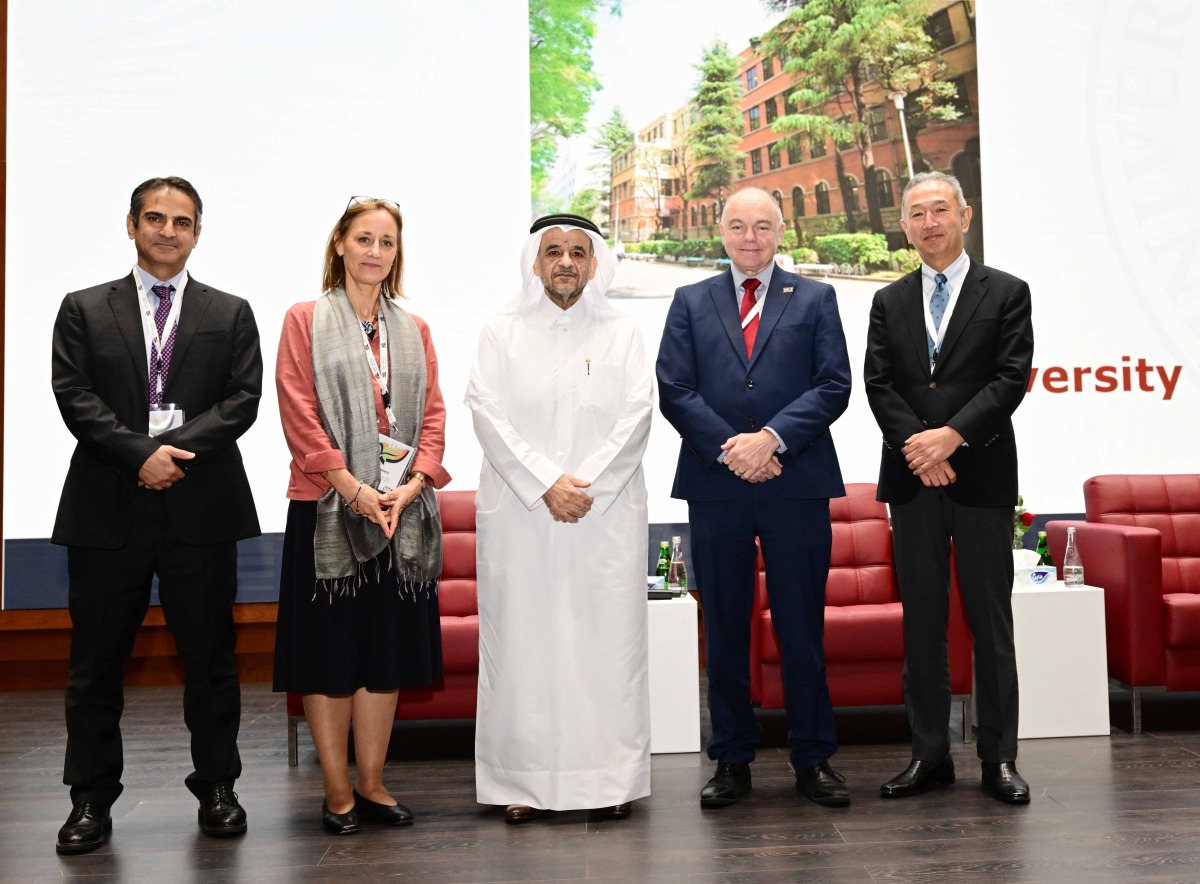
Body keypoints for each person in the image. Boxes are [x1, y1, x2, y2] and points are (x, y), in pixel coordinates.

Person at [50, 176, 262, 854]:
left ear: (198, 232)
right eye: (154, 218)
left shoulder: (230, 313)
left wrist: (171, 454)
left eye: (181, 221)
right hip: (107, 508)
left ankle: (219, 787)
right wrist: (139, 455)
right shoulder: (83, 308)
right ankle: (89, 801)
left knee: (212, 661)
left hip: (200, 508)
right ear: (132, 225)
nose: (167, 231)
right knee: (94, 666)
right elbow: (74, 396)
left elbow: (243, 401)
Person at [656, 187, 852, 809]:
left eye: (762, 226)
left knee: (801, 627)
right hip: (717, 486)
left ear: (780, 231)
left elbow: (833, 385)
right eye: (738, 226)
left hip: (796, 484)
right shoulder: (690, 301)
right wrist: (733, 448)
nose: (750, 237)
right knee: (726, 630)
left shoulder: (816, 297)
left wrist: (770, 441)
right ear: (720, 231)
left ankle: (813, 757)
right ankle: (732, 759)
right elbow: (674, 389)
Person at [466, 212, 653, 823]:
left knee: (607, 647)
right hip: (523, 518)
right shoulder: (501, 331)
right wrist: (546, 483)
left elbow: (637, 416)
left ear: (595, 264)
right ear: (535, 261)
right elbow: (486, 413)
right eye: (553, 252)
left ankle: (611, 779)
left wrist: (583, 487)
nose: (566, 262)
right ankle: (519, 783)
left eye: (578, 251)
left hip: (603, 518)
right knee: (522, 645)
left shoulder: (622, 331)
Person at [273, 196, 450, 835]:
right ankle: (337, 789)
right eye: (364, 239)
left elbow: (432, 417)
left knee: (385, 656)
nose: (375, 251)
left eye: (387, 243)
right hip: (327, 509)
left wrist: (411, 486)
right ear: (341, 245)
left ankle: (374, 783)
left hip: (399, 513)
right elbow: (299, 412)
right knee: (331, 658)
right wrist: (351, 487)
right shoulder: (304, 319)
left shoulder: (415, 329)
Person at [864, 171, 1034, 805]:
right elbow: (880, 384)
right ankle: (929, 755)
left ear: (965, 215)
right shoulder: (889, 301)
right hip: (913, 480)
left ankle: (999, 759)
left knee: (991, 623)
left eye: (941, 210)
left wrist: (951, 438)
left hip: (981, 474)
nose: (929, 222)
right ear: (904, 226)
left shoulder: (1007, 292)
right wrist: (921, 447)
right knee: (923, 623)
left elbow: (1009, 380)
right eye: (917, 213)